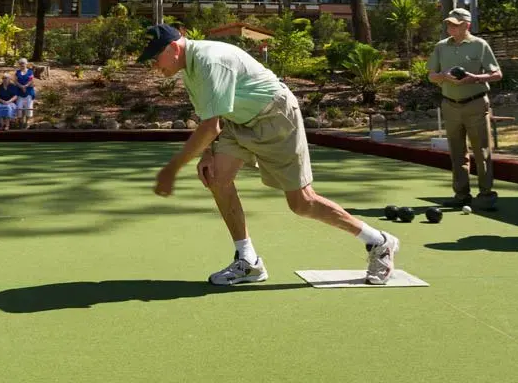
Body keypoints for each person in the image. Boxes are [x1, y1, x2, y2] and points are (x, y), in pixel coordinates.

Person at [143, 23, 400, 286]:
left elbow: (211, 127)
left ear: (173, 48)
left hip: (275, 116)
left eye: (155, 57)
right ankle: (248, 261)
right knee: (217, 177)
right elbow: (209, 117)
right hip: (239, 122)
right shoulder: (190, 70)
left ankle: (378, 241)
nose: (154, 65)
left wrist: (171, 170)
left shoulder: (211, 61)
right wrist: (208, 153)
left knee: (302, 203)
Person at [427, 7, 503, 211]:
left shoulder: (480, 45)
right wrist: (443, 76)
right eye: (449, 24)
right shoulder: (441, 46)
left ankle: (486, 195)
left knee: (482, 151)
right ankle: (461, 194)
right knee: (457, 152)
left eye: (455, 24)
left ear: (467, 25)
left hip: (475, 103)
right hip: (450, 104)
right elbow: (431, 75)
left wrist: (475, 78)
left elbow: (497, 74)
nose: (450, 27)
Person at [15, 58, 37, 128]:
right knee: (19, 108)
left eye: (23, 63)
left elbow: (31, 80)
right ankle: (20, 122)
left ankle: (27, 122)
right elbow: (15, 81)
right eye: (20, 63)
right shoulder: (17, 72)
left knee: (28, 108)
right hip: (19, 92)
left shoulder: (30, 72)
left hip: (29, 92)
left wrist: (25, 86)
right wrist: (21, 87)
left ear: (26, 64)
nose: (22, 64)